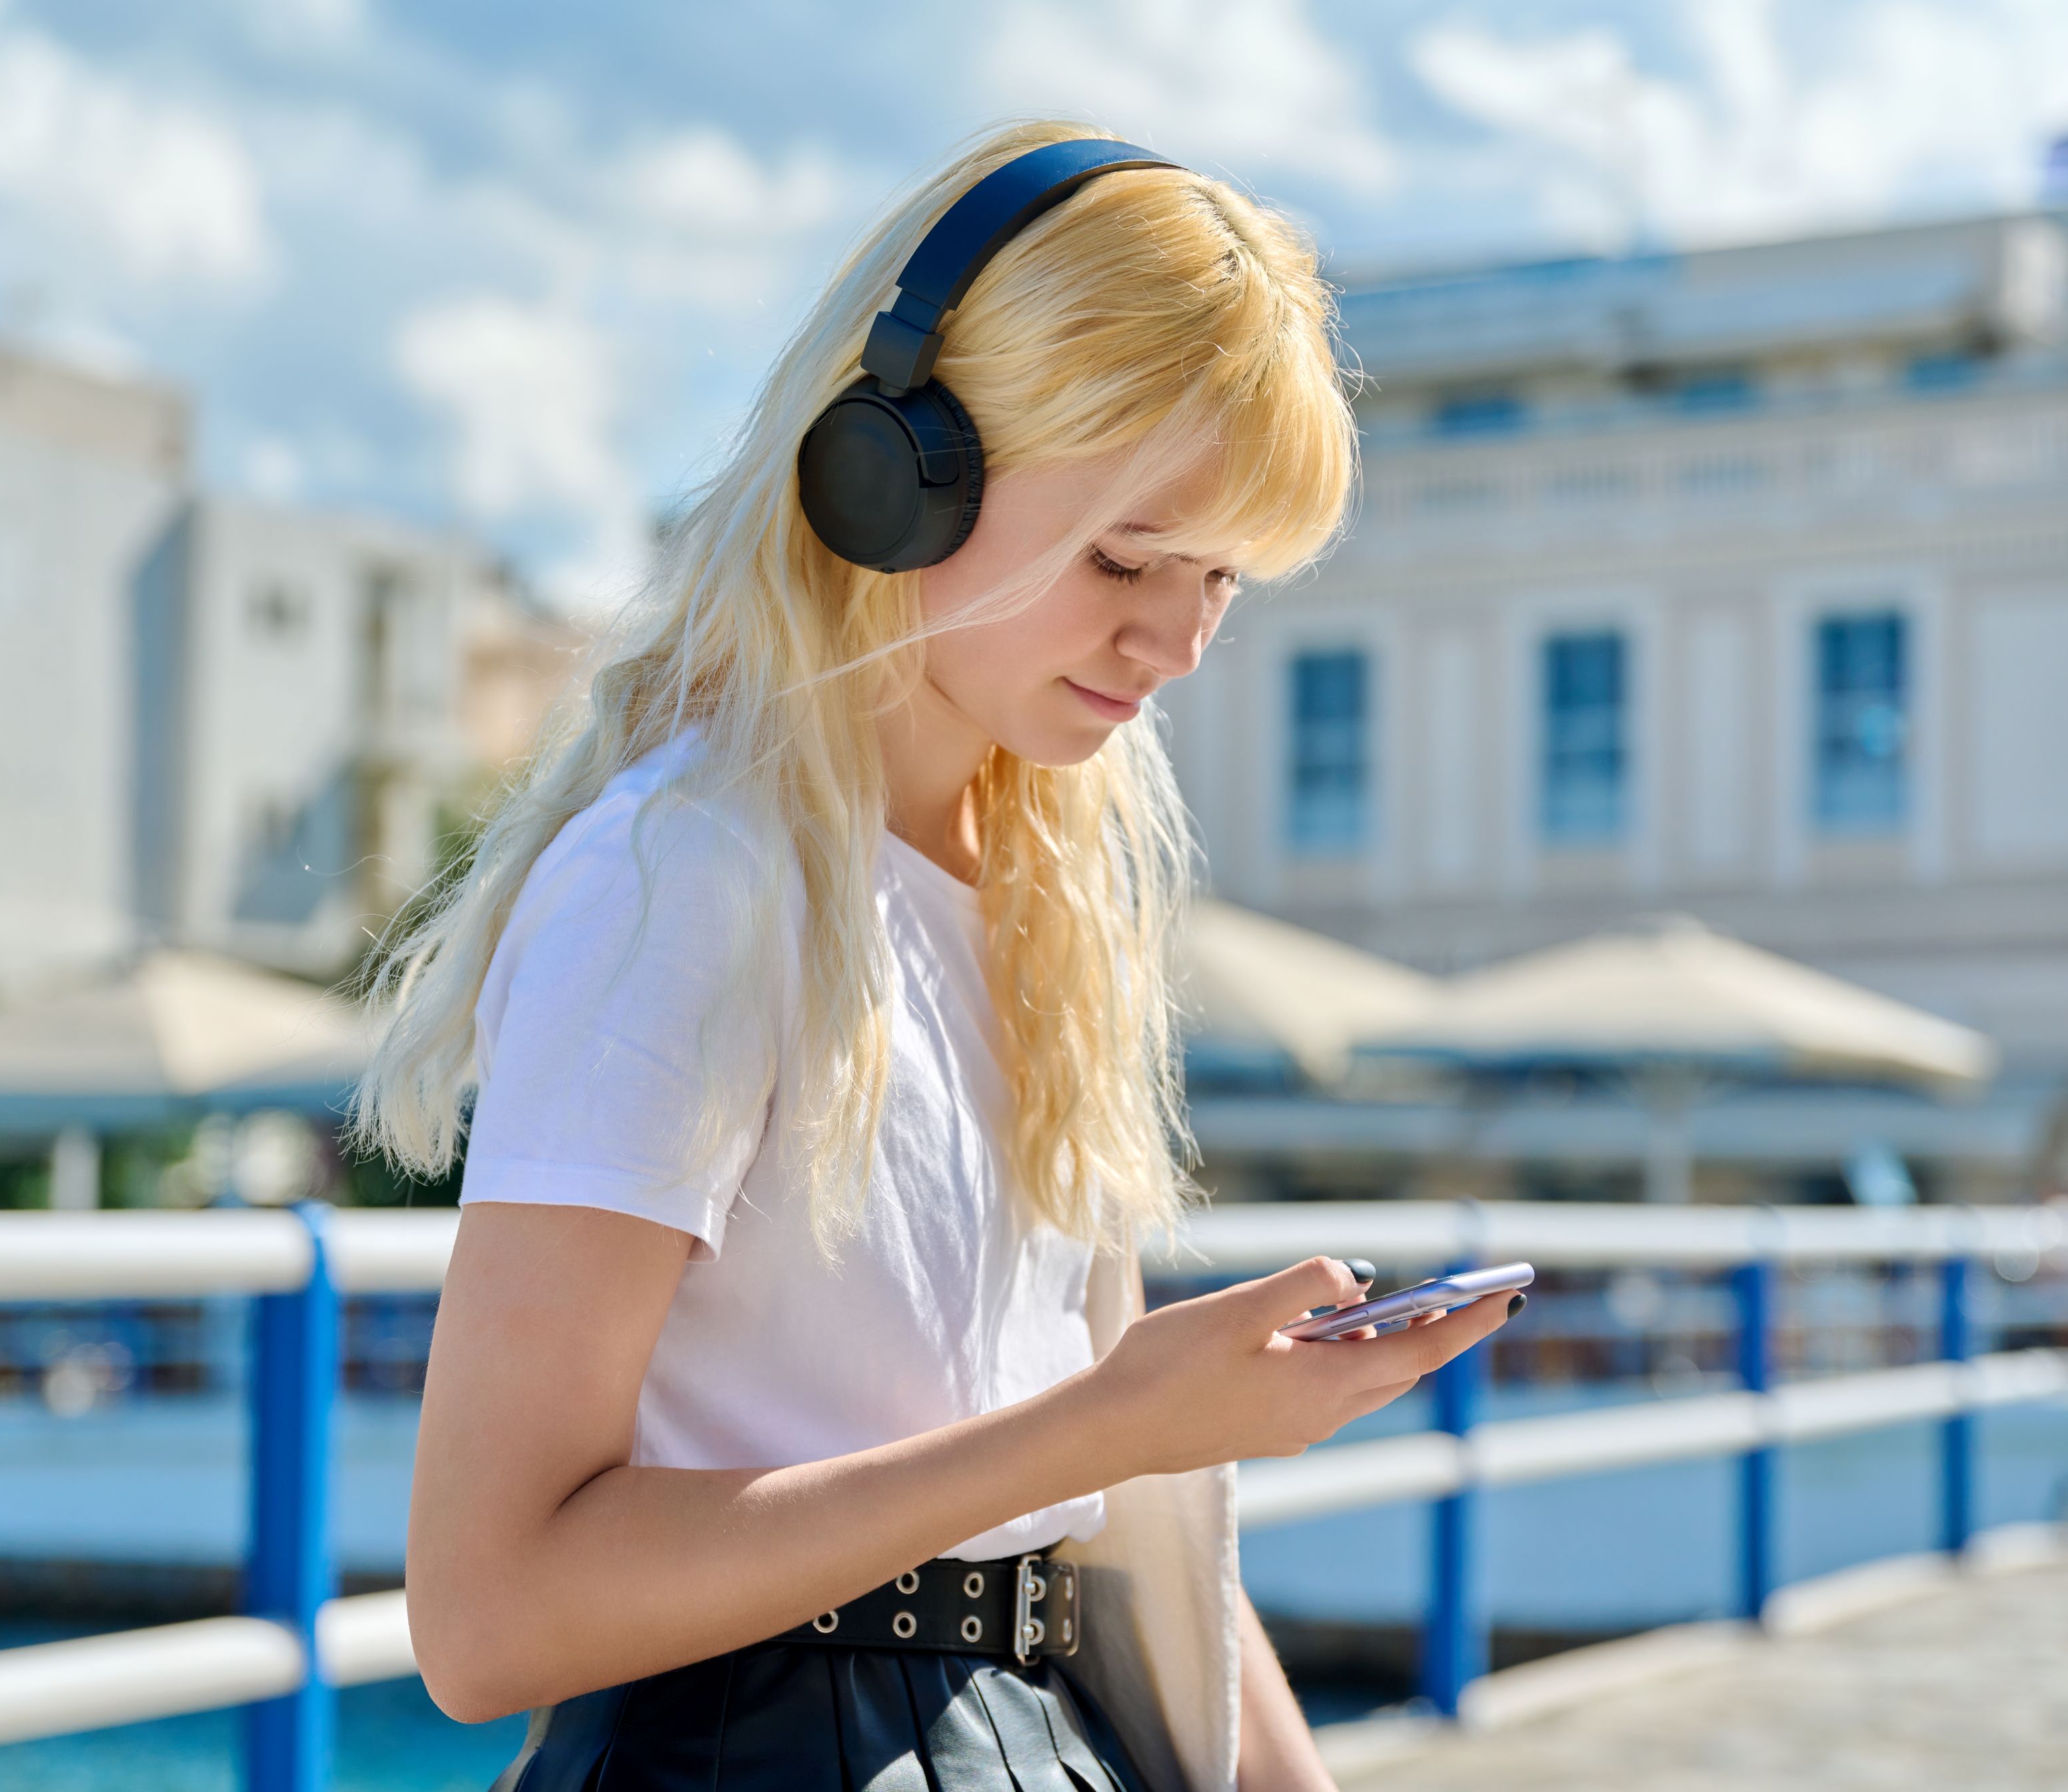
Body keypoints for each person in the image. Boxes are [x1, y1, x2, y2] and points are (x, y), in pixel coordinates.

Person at [351, 120, 1523, 1792]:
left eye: (1221, 583)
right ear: (893, 473)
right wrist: (1109, 1425)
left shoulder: (1042, 905)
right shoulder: (687, 878)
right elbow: (487, 1611)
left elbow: (1130, 1553)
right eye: (1129, 558)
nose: (1179, 643)